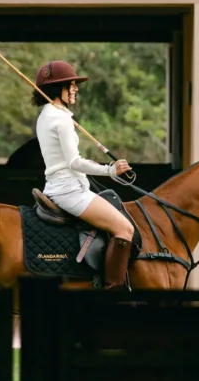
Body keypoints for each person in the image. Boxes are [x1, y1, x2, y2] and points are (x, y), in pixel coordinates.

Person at [32, 60, 135, 290]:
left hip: (60, 188)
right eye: (71, 84)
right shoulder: (61, 119)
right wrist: (111, 170)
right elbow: (75, 162)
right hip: (70, 191)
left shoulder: (46, 116)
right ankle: (112, 294)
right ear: (57, 88)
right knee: (125, 229)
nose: (76, 88)